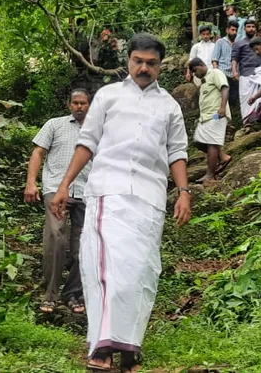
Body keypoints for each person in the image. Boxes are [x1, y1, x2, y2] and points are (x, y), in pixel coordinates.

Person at [49, 33, 191, 373]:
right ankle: (102, 344)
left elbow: (177, 152)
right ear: (128, 61)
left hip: (149, 197)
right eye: (138, 61)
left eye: (151, 63)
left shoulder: (169, 106)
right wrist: (64, 185)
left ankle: (129, 345)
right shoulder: (108, 97)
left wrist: (184, 192)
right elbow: (87, 142)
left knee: (140, 271)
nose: (144, 68)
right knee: (104, 269)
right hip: (107, 192)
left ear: (160, 66)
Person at [24, 89, 92, 315]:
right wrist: (31, 183)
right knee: (55, 238)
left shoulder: (97, 130)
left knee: (84, 245)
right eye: (75, 102)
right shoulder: (54, 124)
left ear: (89, 105)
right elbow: (38, 153)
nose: (79, 106)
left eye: (83, 103)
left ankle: (72, 293)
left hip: (87, 192)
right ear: (69, 104)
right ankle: (50, 294)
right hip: (55, 189)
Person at [188, 58, 232, 182]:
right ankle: (223, 157)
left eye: (195, 70)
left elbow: (225, 88)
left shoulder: (215, 73)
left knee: (212, 143)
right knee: (198, 141)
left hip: (216, 114)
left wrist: (222, 107)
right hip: (206, 117)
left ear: (201, 65)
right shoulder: (204, 81)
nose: (195, 74)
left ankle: (210, 175)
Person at [231, 19, 261, 120]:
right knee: (245, 100)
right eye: (248, 27)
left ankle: (260, 120)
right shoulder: (239, 43)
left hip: (260, 74)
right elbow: (234, 59)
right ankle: (247, 122)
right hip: (245, 75)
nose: (251, 29)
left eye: (253, 27)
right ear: (244, 29)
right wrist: (234, 71)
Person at [211, 21, 239, 109]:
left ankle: (231, 116)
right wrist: (216, 74)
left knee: (233, 99)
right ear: (227, 30)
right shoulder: (220, 42)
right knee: (222, 99)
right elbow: (214, 59)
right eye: (232, 30)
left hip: (234, 75)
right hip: (223, 74)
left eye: (236, 30)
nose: (234, 32)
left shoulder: (238, 44)